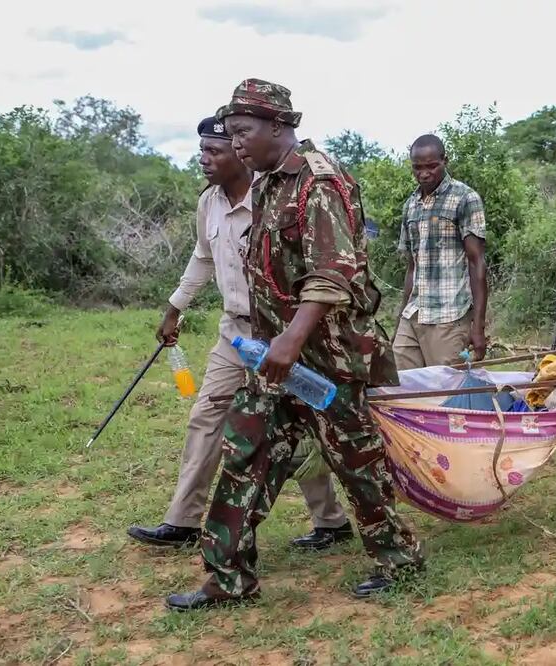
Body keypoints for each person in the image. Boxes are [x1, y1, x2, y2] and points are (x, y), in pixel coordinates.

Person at [166, 79, 422, 611]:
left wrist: (289, 340)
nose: (236, 145)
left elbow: (333, 274)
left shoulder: (320, 183)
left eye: (242, 132)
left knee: (357, 463)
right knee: (244, 452)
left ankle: (398, 558)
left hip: (328, 360)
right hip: (276, 359)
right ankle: (227, 578)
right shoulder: (265, 186)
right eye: (231, 134)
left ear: (279, 127)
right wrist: (267, 344)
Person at [127, 117, 351, 553]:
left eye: (214, 151)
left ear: (238, 150)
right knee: (206, 416)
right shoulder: (208, 203)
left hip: (283, 332)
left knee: (300, 424)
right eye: (202, 151)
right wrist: (174, 309)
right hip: (234, 333)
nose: (204, 160)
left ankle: (331, 521)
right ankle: (183, 521)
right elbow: (201, 258)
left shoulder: (275, 196)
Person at [393, 133, 488, 369]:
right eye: (417, 168)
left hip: (449, 316)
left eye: (432, 166)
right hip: (414, 313)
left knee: (445, 393)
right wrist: (400, 316)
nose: (424, 173)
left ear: (445, 161)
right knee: (400, 386)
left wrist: (478, 326)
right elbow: (412, 266)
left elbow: (477, 263)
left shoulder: (465, 198)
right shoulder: (410, 204)